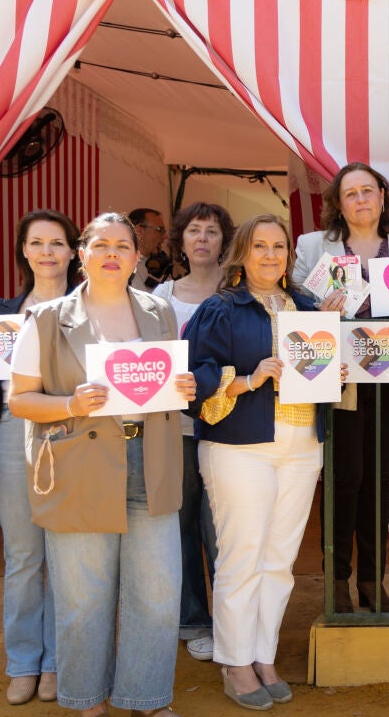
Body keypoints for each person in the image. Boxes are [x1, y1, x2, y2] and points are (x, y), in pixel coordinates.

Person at [9, 212, 194, 717]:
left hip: (150, 461)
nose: (112, 253)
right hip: (81, 466)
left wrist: (183, 386)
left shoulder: (159, 311)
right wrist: (71, 403)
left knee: (157, 593)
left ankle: (146, 699)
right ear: (82, 255)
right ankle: (88, 701)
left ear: (137, 258)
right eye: (101, 245)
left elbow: (166, 384)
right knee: (83, 597)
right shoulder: (46, 319)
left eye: (123, 246)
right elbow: (20, 400)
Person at [185, 214, 337, 710]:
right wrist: (251, 378)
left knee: (280, 561)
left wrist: (333, 370)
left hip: (302, 443)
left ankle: (263, 655)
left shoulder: (307, 307)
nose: (270, 255)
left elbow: (320, 369)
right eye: (260, 246)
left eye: (279, 246)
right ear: (242, 253)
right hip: (240, 445)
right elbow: (197, 378)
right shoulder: (220, 308)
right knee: (241, 556)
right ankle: (235, 662)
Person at [293, 162, 389, 614]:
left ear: (383, 196)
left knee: (378, 478)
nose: (360, 200)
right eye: (350, 193)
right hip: (341, 378)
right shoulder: (312, 245)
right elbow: (293, 305)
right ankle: (336, 581)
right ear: (338, 203)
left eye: (368, 191)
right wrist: (318, 312)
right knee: (343, 478)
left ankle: (373, 581)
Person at [0, 209, 81, 705]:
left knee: (65, 553)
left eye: (57, 243)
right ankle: (24, 662)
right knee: (24, 554)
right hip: (11, 431)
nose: (47, 252)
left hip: (73, 430)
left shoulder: (89, 307)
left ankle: (56, 662)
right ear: (24, 251)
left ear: (73, 252)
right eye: (37, 243)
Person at [152, 202, 235, 662]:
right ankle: (193, 621)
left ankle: (230, 621)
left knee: (223, 526)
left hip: (230, 426)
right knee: (182, 526)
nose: (202, 239)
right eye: (194, 231)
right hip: (179, 428)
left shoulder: (240, 292)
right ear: (180, 241)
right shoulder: (160, 296)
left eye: (212, 231)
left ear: (225, 241)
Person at [129, 207, 171, 291]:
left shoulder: (160, 266)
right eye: (159, 230)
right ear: (139, 231)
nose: (166, 236)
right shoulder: (125, 267)